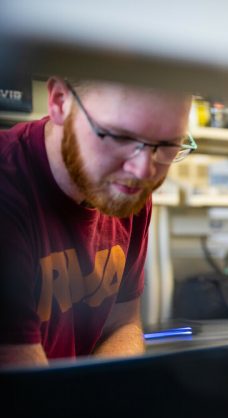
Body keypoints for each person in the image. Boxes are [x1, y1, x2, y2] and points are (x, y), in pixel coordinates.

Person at [0, 77, 194, 367]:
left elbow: (122, 323)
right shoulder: (8, 186)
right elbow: (25, 395)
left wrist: (107, 398)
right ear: (60, 102)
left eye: (168, 146)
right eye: (120, 137)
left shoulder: (127, 188)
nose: (143, 170)